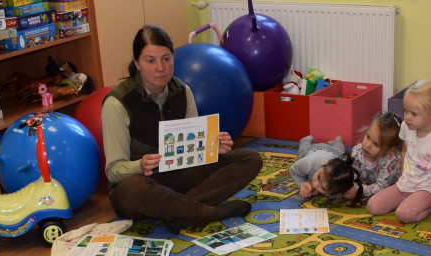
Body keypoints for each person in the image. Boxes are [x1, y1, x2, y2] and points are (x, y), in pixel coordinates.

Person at [102, 25, 263, 234]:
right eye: (150, 61)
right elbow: (113, 171)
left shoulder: (182, 91)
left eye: (166, 59)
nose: (160, 68)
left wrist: (212, 148)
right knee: (133, 188)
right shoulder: (116, 103)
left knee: (250, 159)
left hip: (177, 176)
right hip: (140, 186)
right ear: (137, 63)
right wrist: (139, 165)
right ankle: (211, 213)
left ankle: (180, 210)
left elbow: (193, 152)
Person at [367, 79, 431, 226]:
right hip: (406, 184)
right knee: (373, 206)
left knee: (403, 214)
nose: (407, 117)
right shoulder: (407, 127)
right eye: (405, 111)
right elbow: (405, 153)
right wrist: (402, 179)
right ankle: (409, 200)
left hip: (428, 190)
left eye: (413, 113)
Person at [288, 134, 363, 202]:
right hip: (315, 149)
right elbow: (293, 170)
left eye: (323, 188)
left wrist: (317, 190)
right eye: (318, 177)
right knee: (301, 153)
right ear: (326, 163)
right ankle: (305, 140)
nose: (315, 184)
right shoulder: (309, 163)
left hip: (335, 152)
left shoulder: (344, 176)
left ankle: (337, 141)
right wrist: (301, 183)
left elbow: (340, 193)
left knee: (340, 150)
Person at [347, 111, 403, 201]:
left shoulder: (391, 162)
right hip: (369, 183)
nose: (368, 145)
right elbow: (353, 173)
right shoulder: (357, 150)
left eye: (376, 144)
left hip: (394, 185)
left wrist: (359, 190)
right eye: (368, 137)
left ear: (389, 150)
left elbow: (380, 187)